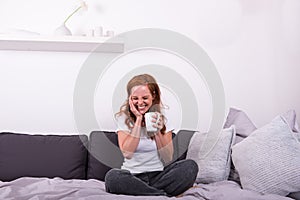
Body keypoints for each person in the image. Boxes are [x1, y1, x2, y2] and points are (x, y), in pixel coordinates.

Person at [105, 74, 198, 197]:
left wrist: (158, 132)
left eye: (144, 98)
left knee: (190, 166)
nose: (140, 102)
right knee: (112, 177)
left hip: (159, 175)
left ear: (153, 96)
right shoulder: (123, 118)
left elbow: (168, 157)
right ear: (129, 99)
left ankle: (147, 193)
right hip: (132, 176)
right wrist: (138, 120)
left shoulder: (163, 117)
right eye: (135, 98)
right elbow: (127, 153)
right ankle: (161, 195)